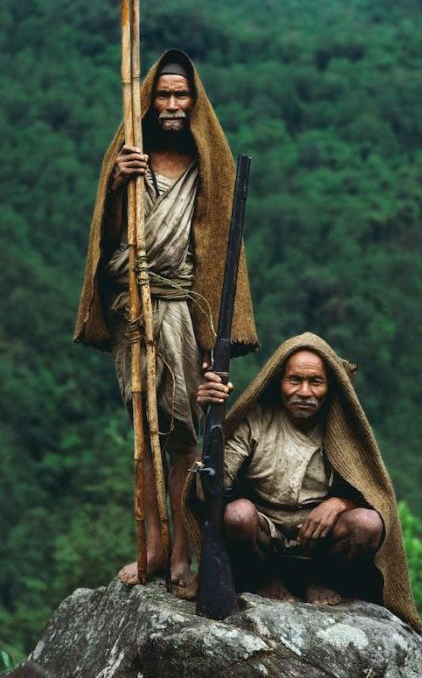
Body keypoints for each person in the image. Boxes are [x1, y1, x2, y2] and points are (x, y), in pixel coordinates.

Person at [74, 49, 259, 587]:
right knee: (142, 427)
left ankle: (182, 552)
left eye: (181, 96)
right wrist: (116, 181)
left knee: (183, 434)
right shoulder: (128, 160)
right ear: (149, 101)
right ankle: (151, 546)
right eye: (164, 95)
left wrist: (211, 343)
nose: (173, 104)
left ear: (194, 103)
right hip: (135, 309)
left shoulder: (208, 167)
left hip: (182, 311)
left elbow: (218, 258)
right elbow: (105, 242)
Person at [189, 331, 422, 632]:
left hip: (318, 543)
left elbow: (374, 495)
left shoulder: (341, 427)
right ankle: (266, 579)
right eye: (294, 380)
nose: (304, 391)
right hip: (265, 536)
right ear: (279, 381)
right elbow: (212, 488)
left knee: (367, 524)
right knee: (238, 515)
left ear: (329, 387)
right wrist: (209, 419)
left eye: (315, 382)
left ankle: (320, 580)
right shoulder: (256, 420)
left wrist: (339, 503)